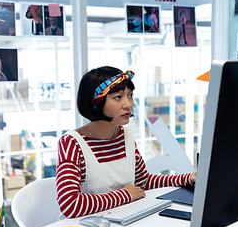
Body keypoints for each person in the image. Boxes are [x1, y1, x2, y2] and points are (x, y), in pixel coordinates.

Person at [56, 66, 196, 218]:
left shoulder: (126, 135)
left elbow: (143, 182)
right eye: (118, 97)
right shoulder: (71, 143)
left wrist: (187, 178)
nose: (128, 104)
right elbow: (69, 204)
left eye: (130, 95)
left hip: (122, 220)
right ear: (96, 102)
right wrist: (125, 195)